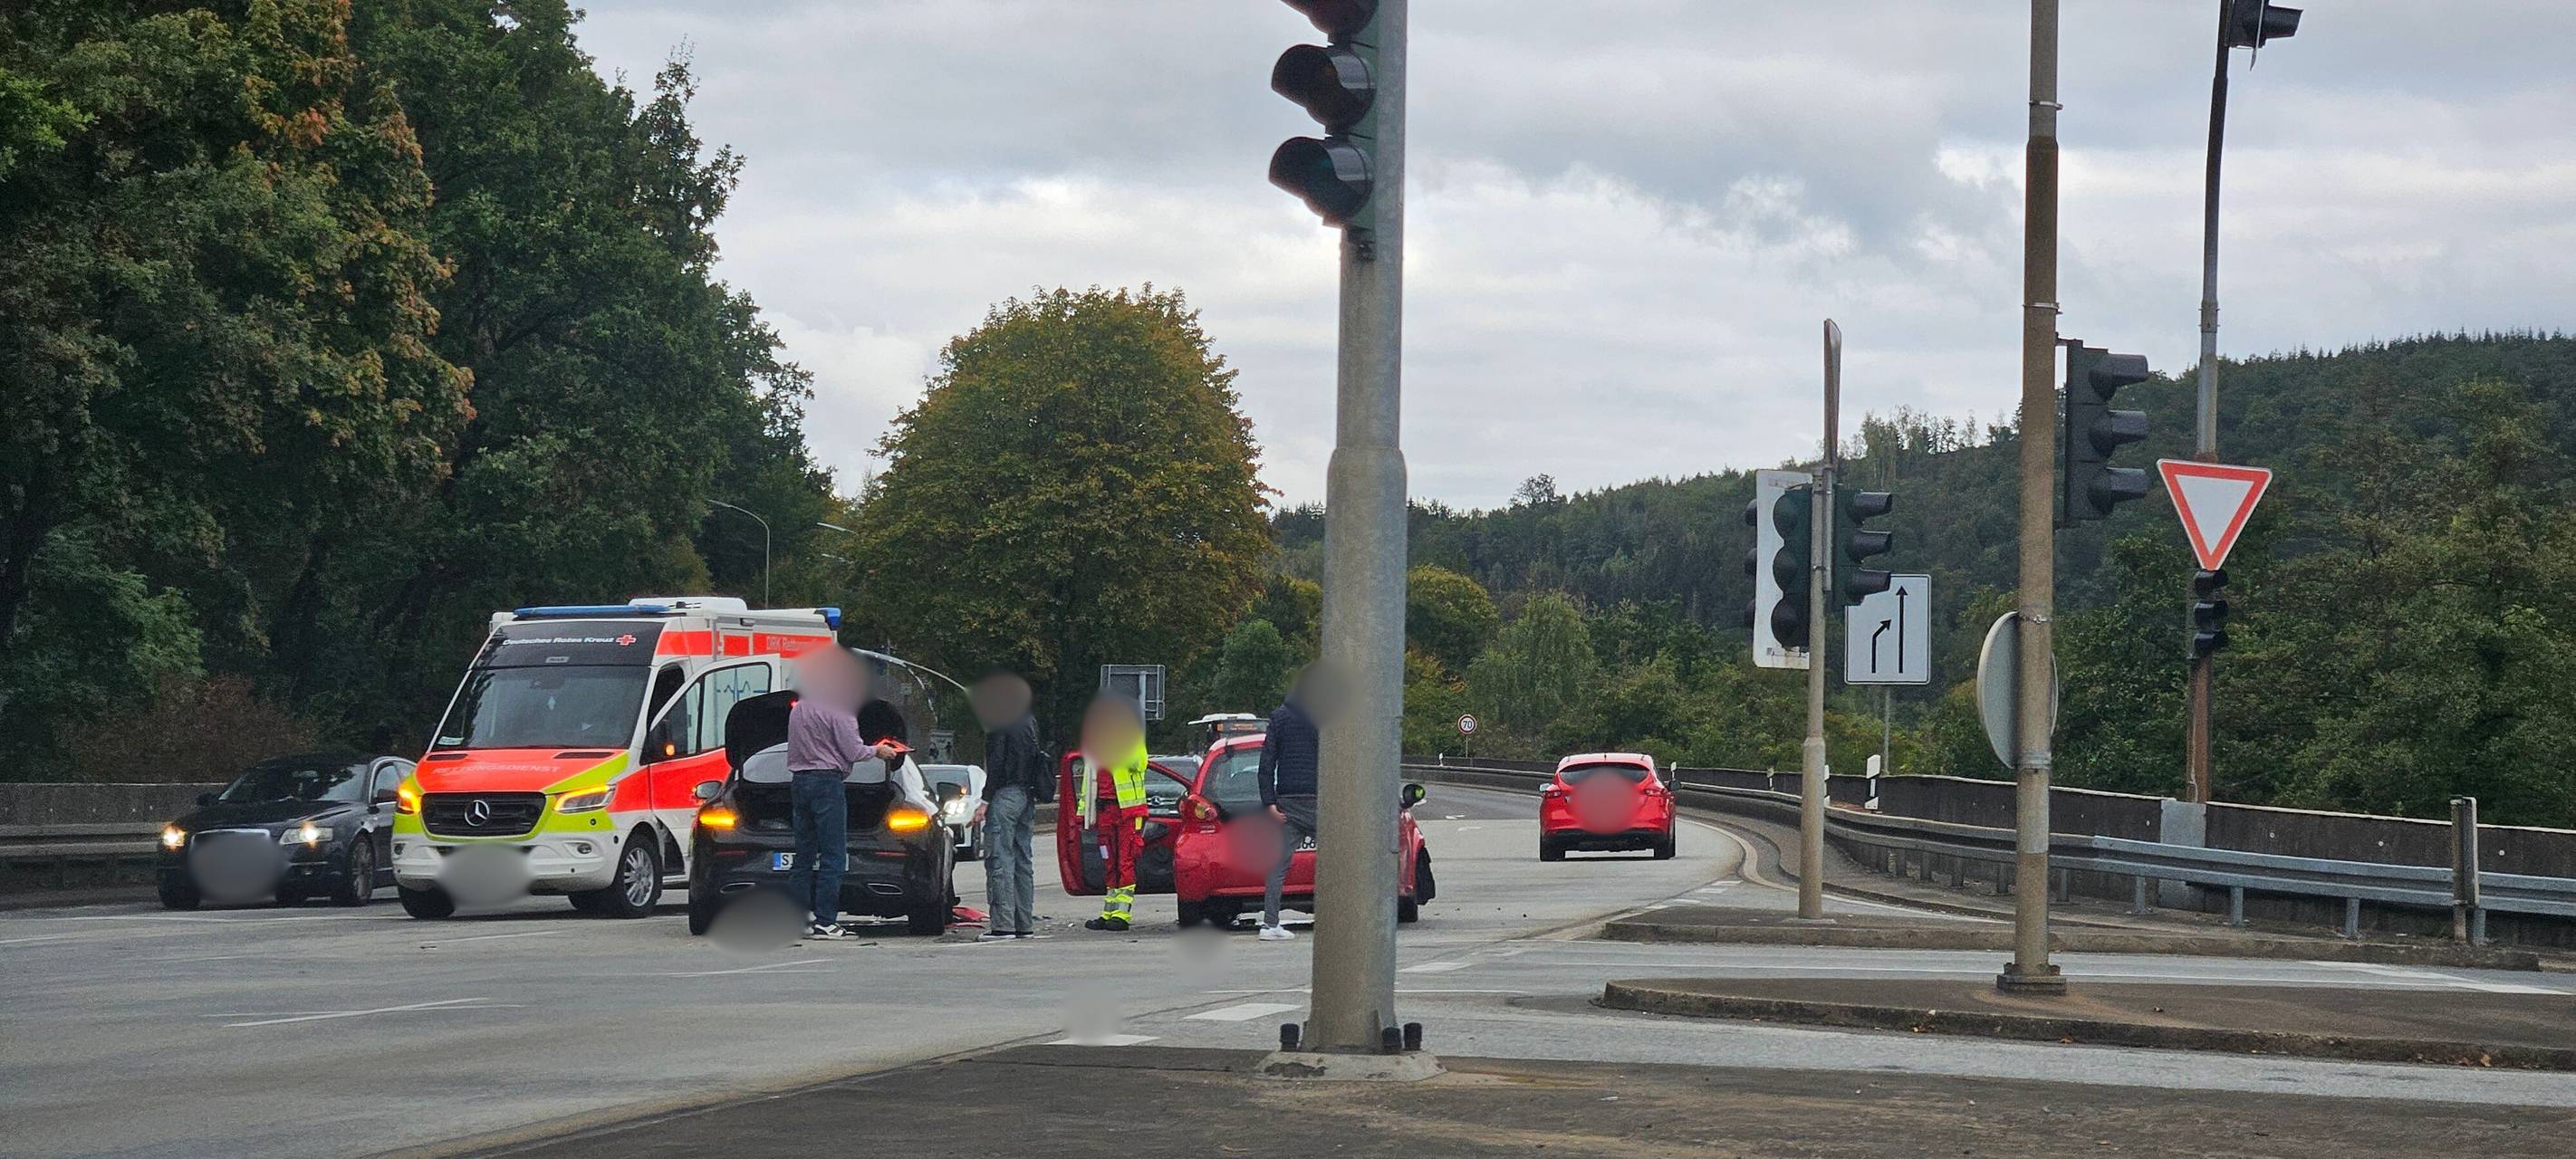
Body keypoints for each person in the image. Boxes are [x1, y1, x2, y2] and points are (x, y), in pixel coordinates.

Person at [786, 647, 896, 941]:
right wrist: (879, 750)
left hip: (799, 782)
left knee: (804, 855)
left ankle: (800, 919)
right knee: (833, 854)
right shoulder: (840, 710)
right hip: (827, 784)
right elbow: (853, 750)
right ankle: (826, 921)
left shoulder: (801, 708)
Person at [972, 674, 1045, 941]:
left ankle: (1002, 925)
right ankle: (1023, 923)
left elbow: (997, 763)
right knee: (1023, 861)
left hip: (1005, 796)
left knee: (999, 859)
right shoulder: (1028, 720)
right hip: (1027, 795)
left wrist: (984, 801)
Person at [1256, 672, 1322, 942]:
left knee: (1278, 865)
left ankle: (1270, 924)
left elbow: (1266, 763)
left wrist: (1269, 803)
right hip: (1317, 800)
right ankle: (1340, 919)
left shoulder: (1279, 717)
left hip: (1287, 802)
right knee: (1342, 860)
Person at [1079, 695, 1150, 932]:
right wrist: (1083, 814)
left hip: (1128, 812)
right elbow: (1088, 783)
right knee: (1109, 863)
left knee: (1125, 862)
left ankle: (1122, 915)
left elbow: (1138, 763)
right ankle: (1108, 912)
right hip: (1105, 811)